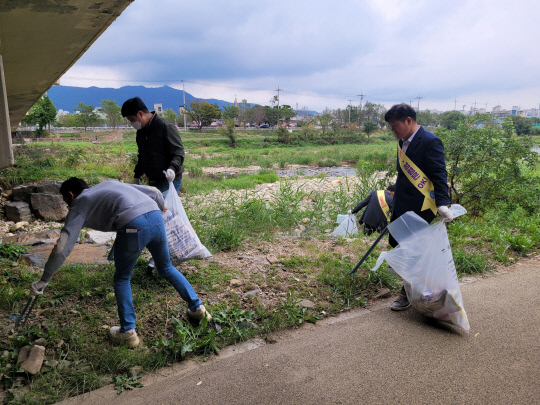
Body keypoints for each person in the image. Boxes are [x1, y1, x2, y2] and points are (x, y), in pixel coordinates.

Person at [30, 178, 211, 348]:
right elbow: (154, 191)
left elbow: (63, 245)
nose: (68, 206)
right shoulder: (108, 184)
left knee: (122, 278)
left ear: (70, 195)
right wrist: (162, 208)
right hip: (155, 217)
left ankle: (128, 332)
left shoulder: (80, 202)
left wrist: (44, 280)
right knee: (166, 267)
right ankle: (198, 309)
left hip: (133, 225)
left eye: (65, 201)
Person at [384, 103, 453, 311]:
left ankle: (408, 294)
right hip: (401, 205)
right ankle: (421, 290)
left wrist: (442, 203)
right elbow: (404, 175)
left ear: (408, 120)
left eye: (395, 125)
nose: (392, 130)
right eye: (390, 127)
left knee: (414, 251)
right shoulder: (403, 141)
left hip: (420, 207)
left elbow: (439, 174)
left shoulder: (430, 141)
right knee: (402, 248)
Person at [121, 97, 184, 198]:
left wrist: (172, 168)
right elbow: (142, 154)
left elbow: (178, 152)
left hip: (169, 179)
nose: (132, 124)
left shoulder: (164, 126)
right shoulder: (141, 131)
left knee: (163, 210)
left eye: (132, 120)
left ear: (140, 114)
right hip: (153, 179)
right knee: (157, 209)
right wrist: (137, 175)